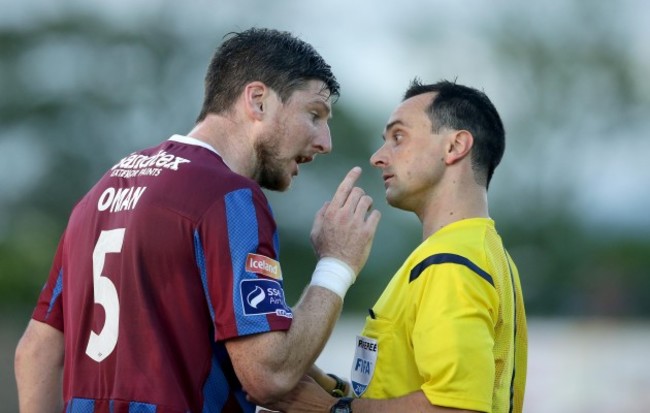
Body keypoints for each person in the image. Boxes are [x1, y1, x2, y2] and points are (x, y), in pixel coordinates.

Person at [14, 28, 381, 413]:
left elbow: (35, 352)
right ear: (258, 101)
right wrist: (337, 264)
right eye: (314, 114)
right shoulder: (228, 197)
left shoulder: (101, 192)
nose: (325, 141)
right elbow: (268, 377)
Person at [257, 79, 528, 413]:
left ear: (455, 146)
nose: (378, 157)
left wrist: (328, 409)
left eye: (398, 137)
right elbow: (405, 387)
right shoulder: (479, 250)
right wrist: (321, 383)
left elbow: (456, 408)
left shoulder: (451, 262)